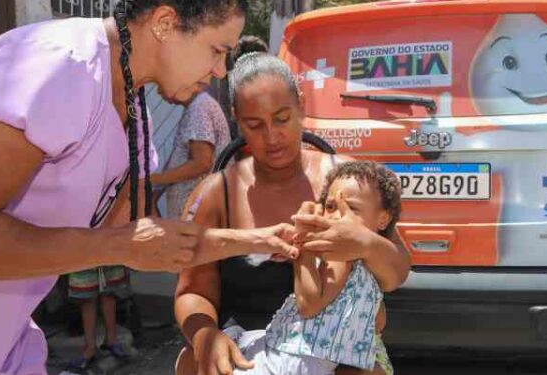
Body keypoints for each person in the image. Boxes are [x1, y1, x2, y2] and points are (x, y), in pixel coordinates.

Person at [0, 1, 303, 374]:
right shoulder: (56, 65)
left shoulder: (132, 107)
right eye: (216, 50)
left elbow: (155, 241)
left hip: (3, 345)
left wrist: (260, 240)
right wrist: (117, 246)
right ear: (165, 23)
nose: (220, 71)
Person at [174, 53, 410, 375]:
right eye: (254, 125)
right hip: (251, 350)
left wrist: (364, 243)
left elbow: (397, 271)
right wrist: (205, 336)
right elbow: (193, 291)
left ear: (301, 105)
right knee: (189, 363)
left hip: (339, 352)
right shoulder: (217, 194)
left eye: (282, 118)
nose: (271, 137)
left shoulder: (348, 182)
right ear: (237, 119)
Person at [223, 160, 402, 375]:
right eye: (330, 206)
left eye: (351, 208)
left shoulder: (340, 252)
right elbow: (378, 321)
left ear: (383, 219)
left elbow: (308, 304)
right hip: (319, 361)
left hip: (294, 357)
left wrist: (302, 248)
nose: (336, 216)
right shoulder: (369, 262)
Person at [151, 91, 231, 220]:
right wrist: (156, 190)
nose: (160, 92)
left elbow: (201, 164)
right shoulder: (195, 107)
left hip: (198, 215)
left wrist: (156, 179)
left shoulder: (199, 108)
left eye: (160, 87)